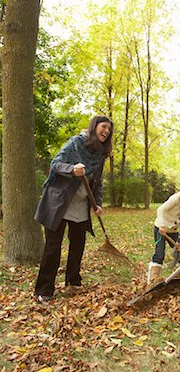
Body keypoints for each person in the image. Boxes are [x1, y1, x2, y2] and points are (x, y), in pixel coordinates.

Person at [34, 115, 113, 303]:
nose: (106, 131)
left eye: (109, 130)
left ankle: (73, 281)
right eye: (104, 127)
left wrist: (98, 203)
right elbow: (55, 164)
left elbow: (98, 183)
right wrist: (71, 169)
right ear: (94, 127)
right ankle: (44, 290)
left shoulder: (100, 154)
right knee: (53, 248)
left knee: (78, 245)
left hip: (80, 206)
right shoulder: (75, 143)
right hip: (59, 204)